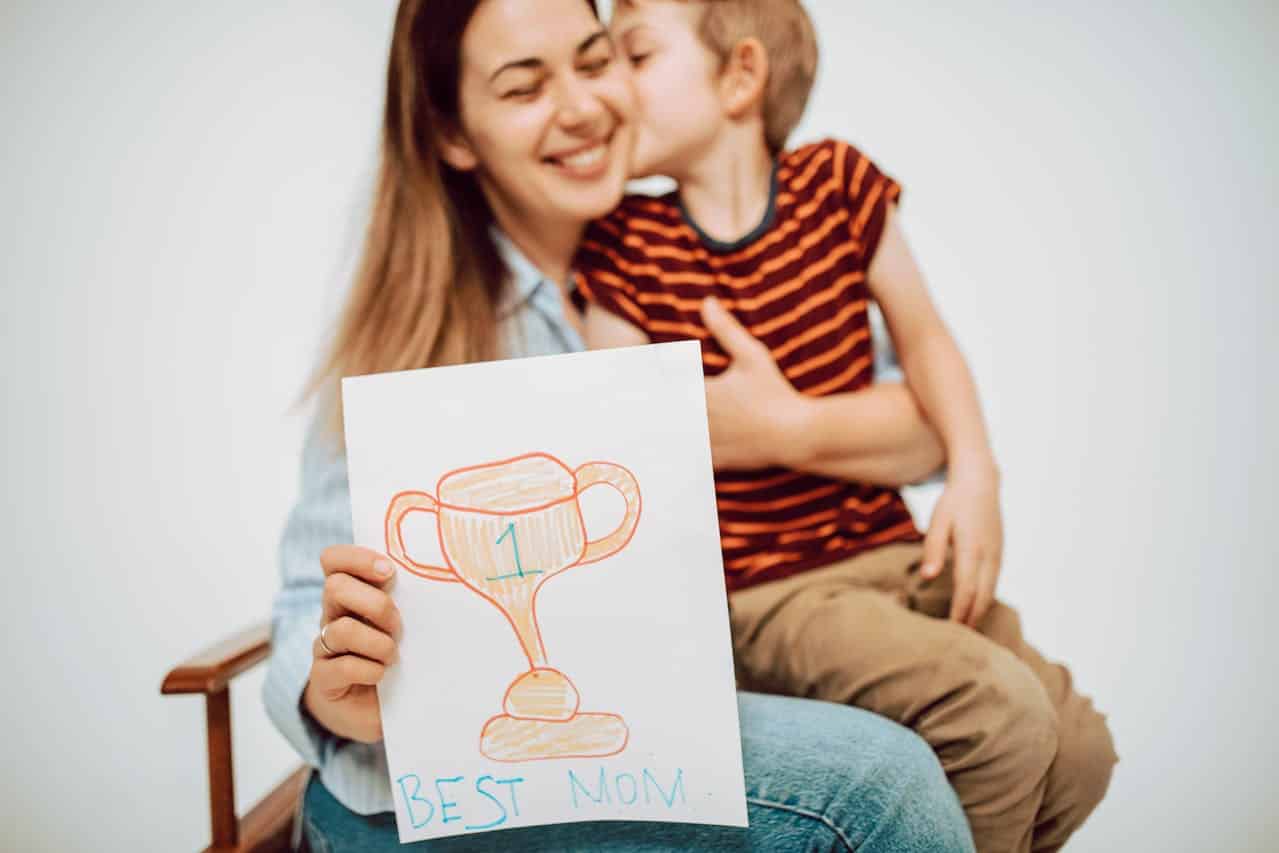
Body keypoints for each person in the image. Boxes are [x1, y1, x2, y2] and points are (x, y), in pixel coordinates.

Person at [263, 0, 977, 850]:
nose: (581, 107)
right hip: (419, 800)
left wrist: (781, 427)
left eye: (598, 62)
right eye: (523, 88)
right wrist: (335, 689)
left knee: (1012, 734)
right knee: (879, 786)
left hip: (656, 718)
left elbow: (924, 432)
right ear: (454, 134)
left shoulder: (701, 252)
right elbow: (305, 613)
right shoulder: (418, 335)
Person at [573, 1, 1118, 851]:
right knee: (997, 716)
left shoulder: (839, 186)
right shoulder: (622, 246)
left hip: (897, 552)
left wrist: (974, 475)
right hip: (770, 590)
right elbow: (616, 428)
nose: (606, 92)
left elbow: (926, 336)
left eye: (633, 57)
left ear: (740, 76)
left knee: (1080, 751)